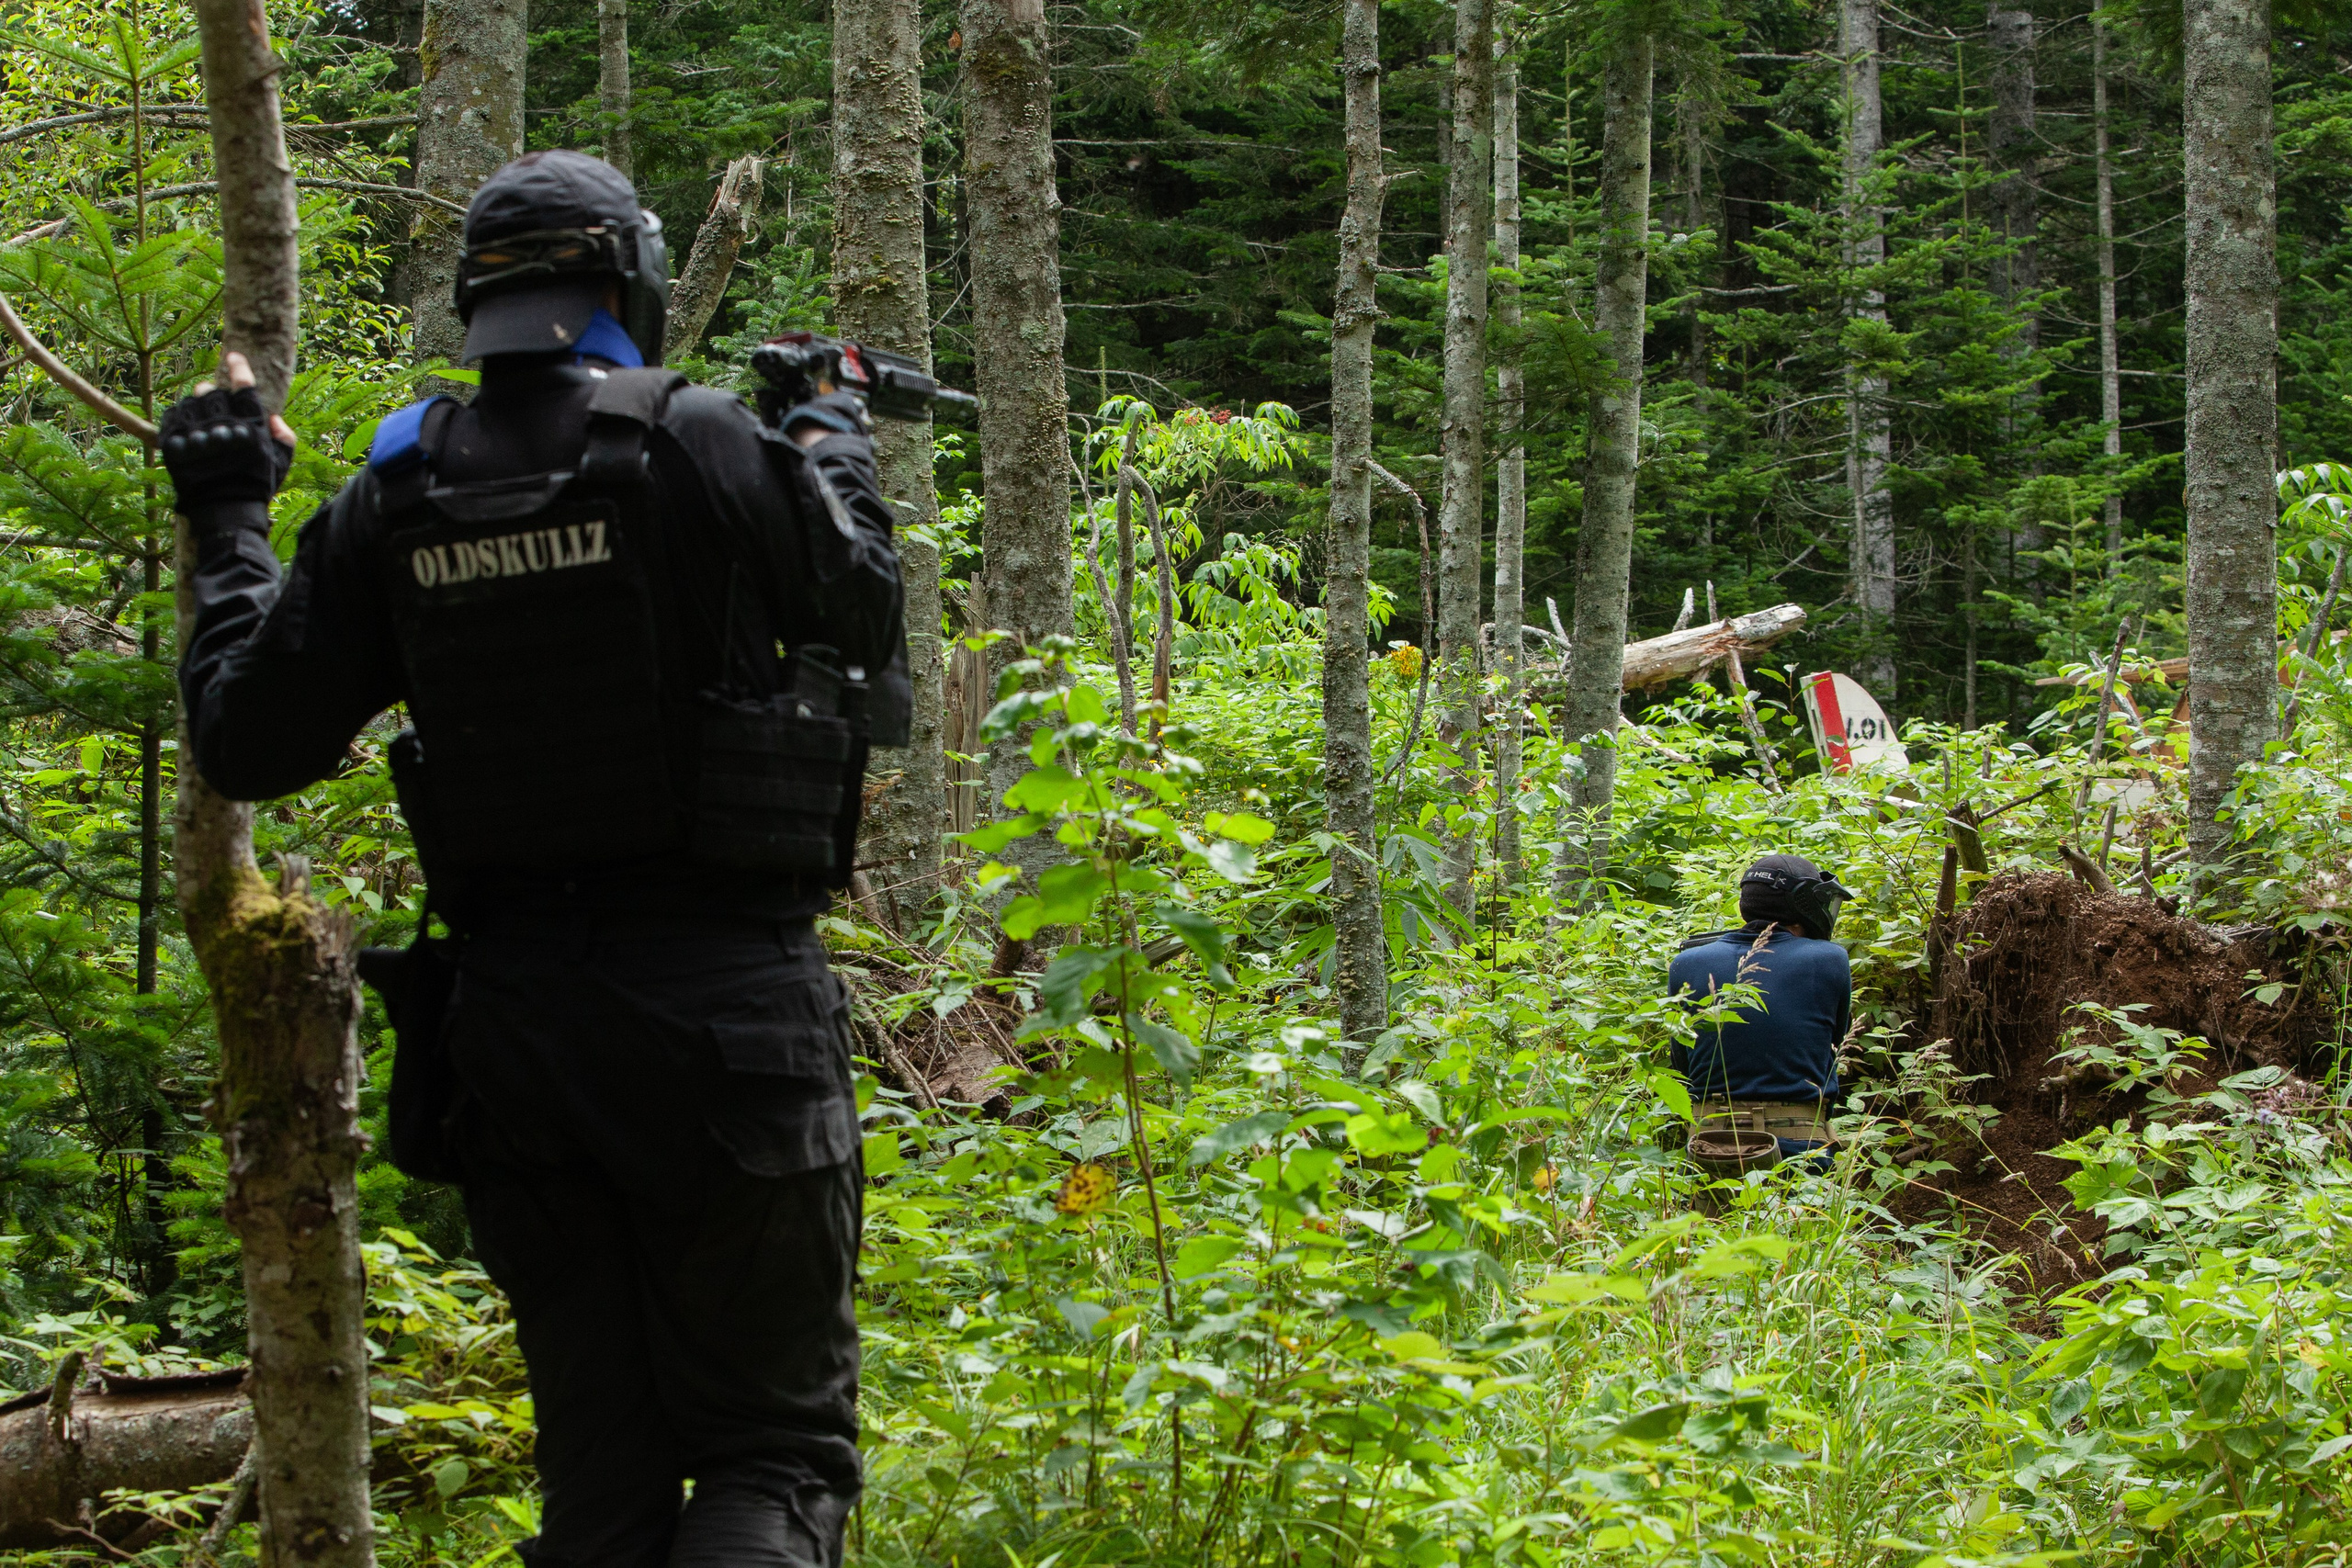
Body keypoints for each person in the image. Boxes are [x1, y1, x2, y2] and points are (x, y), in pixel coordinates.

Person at [164, 150, 904, 1568]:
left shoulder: (397, 486)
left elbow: (247, 738)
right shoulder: (697, 437)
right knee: (770, 1456)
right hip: (728, 1019)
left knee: (602, 1482)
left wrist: (232, 518)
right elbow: (861, 607)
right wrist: (829, 432)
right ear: (633, 276)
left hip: (516, 1044)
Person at [1668, 853, 1855, 1163]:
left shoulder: (1685, 963)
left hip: (1707, 1148)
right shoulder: (1830, 959)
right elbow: (1834, 1043)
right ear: (1806, 903)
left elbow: (1682, 1064)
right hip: (1800, 1151)